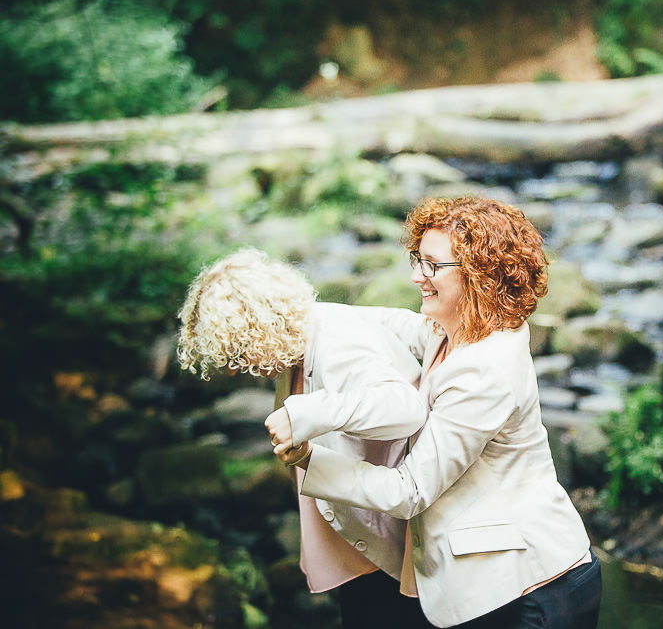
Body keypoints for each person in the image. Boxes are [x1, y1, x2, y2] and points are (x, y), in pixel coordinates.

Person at [270, 196, 602, 629]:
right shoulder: (453, 328)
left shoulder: (485, 371)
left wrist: (310, 457)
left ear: (480, 275)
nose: (415, 276)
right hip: (496, 583)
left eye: (430, 265)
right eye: (416, 260)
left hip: (533, 589)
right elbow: (380, 323)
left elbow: (409, 492)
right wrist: (298, 315)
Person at [176, 248, 434, 629]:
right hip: (366, 544)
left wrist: (304, 416)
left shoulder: (337, 342)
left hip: (391, 549)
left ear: (259, 326)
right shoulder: (302, 342)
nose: (235, 369)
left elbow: (404, 409)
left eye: (237, 350)